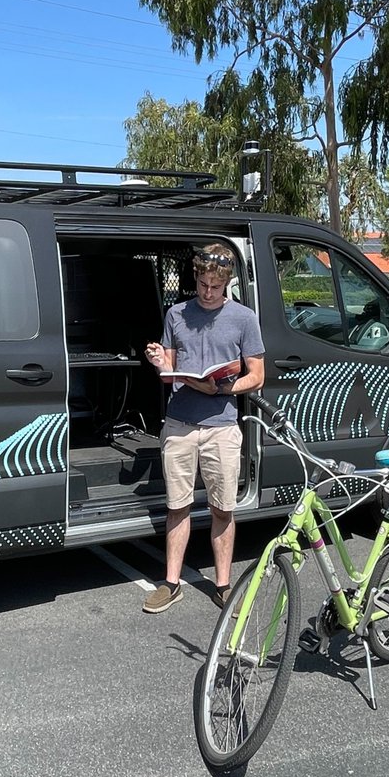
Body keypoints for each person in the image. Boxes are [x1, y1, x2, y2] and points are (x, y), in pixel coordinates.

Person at [143, 243, 265, 613]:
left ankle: (224, 584)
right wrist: (158, 360)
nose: (208, 291)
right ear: (195, 277)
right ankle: (171, 583)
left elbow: (257, 376)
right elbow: (170, 370)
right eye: (202, 283)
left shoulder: (244, 318)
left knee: (222, 508)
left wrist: (224, 387)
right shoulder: (176, 314)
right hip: (179, 422)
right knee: (177, 506)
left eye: (215, 286)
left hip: (221, 426)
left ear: (226, 283)